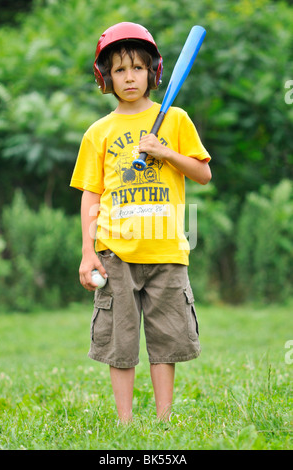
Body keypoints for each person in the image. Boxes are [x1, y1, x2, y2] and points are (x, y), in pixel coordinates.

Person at [70, 22, 211, 423]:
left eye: (136, 67)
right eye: (118, 69)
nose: (129, 77)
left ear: (153, 71)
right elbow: (91, 196)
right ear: (105, 77)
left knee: (167, 340)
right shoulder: (99, 133)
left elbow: (202, 174)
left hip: (166, 249)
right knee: (120, 339)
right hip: (115, 252)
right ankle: (125, 421)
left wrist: (164, 152)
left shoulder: (176, 120)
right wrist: (87, 252)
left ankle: (164, 419)